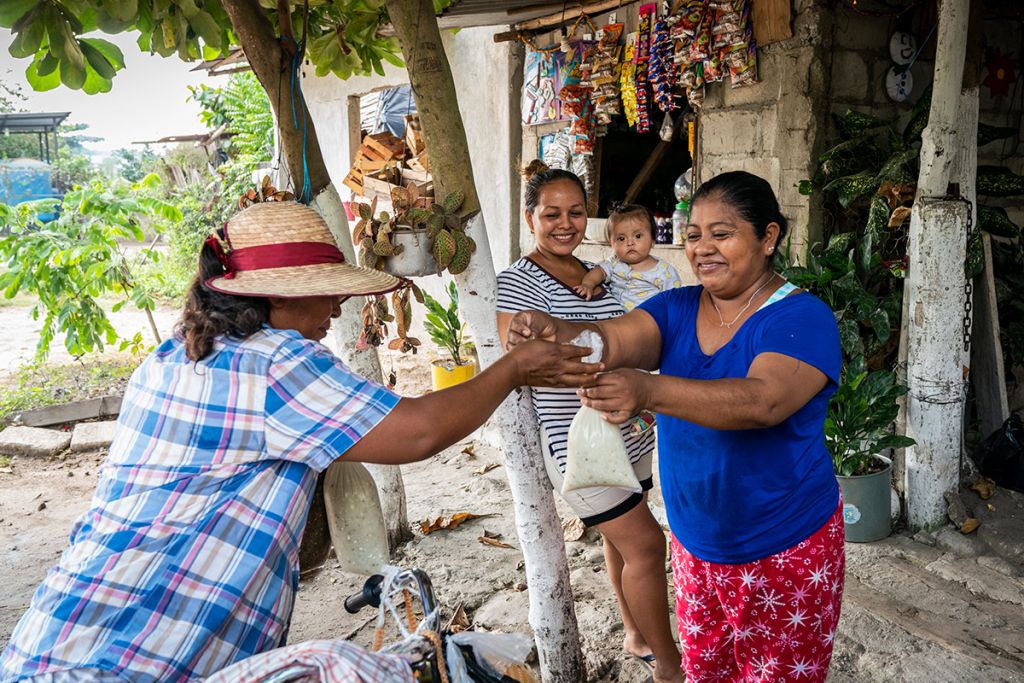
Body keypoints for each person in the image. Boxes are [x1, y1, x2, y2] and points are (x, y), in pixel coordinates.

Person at [0, 201, 598, 683]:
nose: (338, 304)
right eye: (326, 288)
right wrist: (514, 369)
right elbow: (421, 430)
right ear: (279, 294)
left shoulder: (177, 352)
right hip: (144, 648)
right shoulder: (276, 363)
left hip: (63, 630)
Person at [505, 171, 844, 682]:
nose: (702, 248)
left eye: (722, 233)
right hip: (696, 545)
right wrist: (563, 332)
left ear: (768, 237)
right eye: (693, 235)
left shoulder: (801, 317)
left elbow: (763, 402)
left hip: (784, 548)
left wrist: (649, 390)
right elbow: (611, 340)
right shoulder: (677, 307)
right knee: (705, 672)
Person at [496, 161, 683, 683]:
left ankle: (636, 633)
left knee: (622, 539)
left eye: (576, 212)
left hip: (632, 426)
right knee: (648, 545)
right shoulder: (516, 281)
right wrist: (614, 352)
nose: (565, 222)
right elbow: (535, 365)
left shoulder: (602, 272)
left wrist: (620, 357)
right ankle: (671, 668)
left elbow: (632, 333)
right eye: (551, 213)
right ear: (530, 216)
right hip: (579, 439)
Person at [574, 203, 682, 311]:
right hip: (616, 319)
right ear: (611, 243)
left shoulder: (665, 272)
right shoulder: (614, 262)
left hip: (648, 321)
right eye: (621, 238)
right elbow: (598, 272)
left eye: (638, 236)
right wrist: (587, 284)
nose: (630, 243)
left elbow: (674, 302)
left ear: (653, 240)